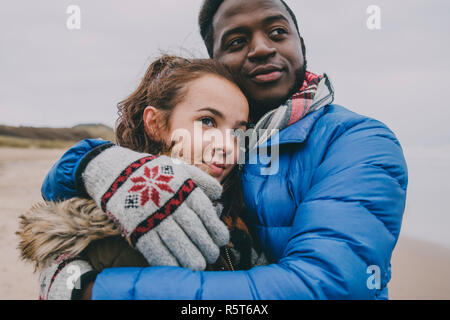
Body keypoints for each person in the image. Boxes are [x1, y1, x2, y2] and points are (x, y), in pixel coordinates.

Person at [35, 0, 408, 299]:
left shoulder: (356, 139)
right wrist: (91, 162)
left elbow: (329, 284)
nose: (262, 48)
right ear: (217, 61)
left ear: (301, 44)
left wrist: (92, 291)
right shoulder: (169, 168)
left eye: (278, 31)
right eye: (236, 41)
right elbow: (59, 203)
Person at [17, 55, 267, 300]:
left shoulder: (236, 216)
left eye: (237, 132)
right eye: (207, 121)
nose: (227, 145)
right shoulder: (116, 229)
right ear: (155, 123)